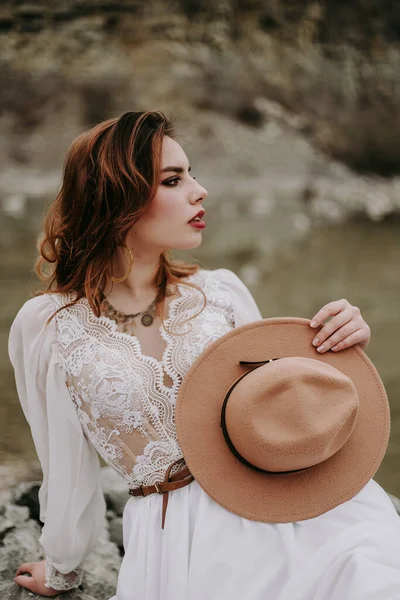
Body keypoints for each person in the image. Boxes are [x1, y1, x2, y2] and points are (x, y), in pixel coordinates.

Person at [7, 110, 386, 599]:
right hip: (178, 535)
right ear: (115, 196)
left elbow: (283, 408)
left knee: (368, 577)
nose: (199, 190)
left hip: (292, 504)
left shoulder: (220, 293)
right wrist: (63, 568)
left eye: (192, 174)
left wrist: (340, 350)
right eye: (172, 179)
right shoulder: (48, 325)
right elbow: (65, 465)